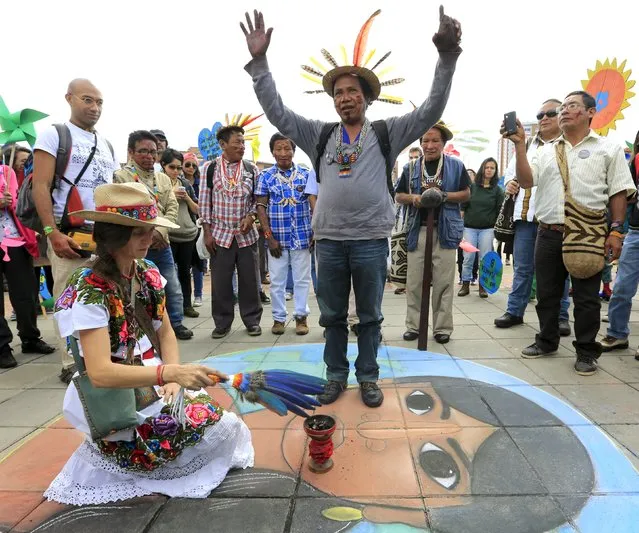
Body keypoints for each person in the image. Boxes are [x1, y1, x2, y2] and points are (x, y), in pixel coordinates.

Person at [241, 7, 462, 408]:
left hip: (370, 241)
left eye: (352, 91)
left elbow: (431, 108)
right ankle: (337, 375)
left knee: (372, 318)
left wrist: (447, 57)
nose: (345, 97)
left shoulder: (387, 132)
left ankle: (369, 377)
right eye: (339, 92)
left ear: (366, 97)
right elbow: (278, 112)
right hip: (328, 242)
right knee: (331, 317)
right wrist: (260, 63)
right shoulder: (318, 134)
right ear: (333, 99)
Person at [43, 182, 253, 505]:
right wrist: (168, 374)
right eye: (140, 232)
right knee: (183, 433)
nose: (151, 238)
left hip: (151, 381)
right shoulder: (90, 288)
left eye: (150, 229)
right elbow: (99, 373)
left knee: (221, 424)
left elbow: (165, 331)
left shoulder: (146, 273)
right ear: (115, 234)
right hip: (116, 396)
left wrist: (172, 379)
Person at [505, 91, 635, 375]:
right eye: (561, 108)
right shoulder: (544, 150)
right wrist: (519, 146)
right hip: (548, 232)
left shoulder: (608, 148)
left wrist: (615, 231)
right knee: (548, 294)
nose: (562, 112)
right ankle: (547, 340)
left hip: (588, 233)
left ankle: (587, 351)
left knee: (587, 297)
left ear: (590, 112)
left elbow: (618, 192)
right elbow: (527, 181)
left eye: (571, 106)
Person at [32, 78, 119, 384]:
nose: (94, 108)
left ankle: (104, 357)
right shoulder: (54, 135)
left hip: (103, 237)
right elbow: (39, 185)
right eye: (87, 100)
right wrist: (51, 231)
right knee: (69, 299)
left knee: (105, 297)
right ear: (69, 98)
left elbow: (111, 192)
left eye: (99, 102)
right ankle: (72, 362)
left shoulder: (107, 145)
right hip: (68, 234)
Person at [494, 98, 571, 336]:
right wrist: (509, 183)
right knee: (523, 267)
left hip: (557, 219)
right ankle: (515, 310)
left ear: (562, 116)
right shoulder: (526, 146)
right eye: (540, 116)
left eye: (550, 113)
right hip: (526, 217)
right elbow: (510, 172)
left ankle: (561, 316)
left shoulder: (571, 145)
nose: (544, 118)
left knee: (560, 270)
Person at [113, 131, 193, 341]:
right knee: (135, 287)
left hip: (161, 242)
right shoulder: (121, 177)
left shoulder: (163, 178)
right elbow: (125, 210)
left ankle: (175, 324)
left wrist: (159, 231)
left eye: (153, 152)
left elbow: (172, 207)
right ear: (131, 152)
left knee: (171, 287)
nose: (149, 156)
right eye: (143, 151)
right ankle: (140, 327)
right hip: (135, 244)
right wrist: (146, 234)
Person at [396, 122, 470, 344]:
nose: (430, 145)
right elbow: (399, 195)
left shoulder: (456, 166)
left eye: (435, 140)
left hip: (446, 231)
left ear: (443, 144)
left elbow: (466, 193)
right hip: (417, 230)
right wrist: (416, 199)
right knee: (415, 281)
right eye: (425, 140)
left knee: (444, 282)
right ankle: (414, 326)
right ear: (420, 143)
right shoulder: (410, 168)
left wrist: (444, 196)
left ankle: (442, 328)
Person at [199, 125, 263, 338]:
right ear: (223, 144)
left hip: (247, 236)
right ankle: (222, 323)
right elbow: (204, 203)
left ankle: (252, 320)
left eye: (243, 142)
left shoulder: (251, 169)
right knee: (220, 282)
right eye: (237, 142)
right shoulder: (209, 168)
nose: (242, 146)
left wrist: (251, 216)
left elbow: (258, 200)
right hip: (220, 235)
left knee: (250, 280)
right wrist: (207, 232)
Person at [256, 133, 313, 335]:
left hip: (302, 236)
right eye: (278, 149)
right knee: (278, 280)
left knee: (302, 279)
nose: (283, 153)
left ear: (294, 151)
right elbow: (261, 207)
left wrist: (314, 231)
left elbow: (314, 204)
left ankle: (301, 317)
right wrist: (269, 237)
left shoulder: (305, 175)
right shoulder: (265, 176)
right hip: (276, 238)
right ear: (272, 152)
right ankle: (278, 319)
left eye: (287, 148)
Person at [0, 164, 55, 368]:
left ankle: (30, 338)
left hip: (14, 240)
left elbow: (16, 201)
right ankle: (2, 346)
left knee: (26, 294)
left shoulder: (7, 171)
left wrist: (9, 201)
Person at [600, 129, 639, 355]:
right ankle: (617, 333)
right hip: (634, 231)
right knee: (623, 286)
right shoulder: (635, 161)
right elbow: (626, 194)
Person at [160, 149, 200, 319]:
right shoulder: (158, 184)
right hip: (167, 235)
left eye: (178, 168)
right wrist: (171, 196)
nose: (175, 171)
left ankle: (187, 305)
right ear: (163, 166)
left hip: (187, 234)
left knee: (185, 272)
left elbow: (197, 209)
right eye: (172, 167)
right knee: (166, 275)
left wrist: (186, 198)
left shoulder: (186, 185)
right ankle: (166, 311)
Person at [458, 157, 503, 298]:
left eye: (492, 168)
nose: (489, 170)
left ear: (495, 171)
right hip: (469, 228)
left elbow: (499, 211)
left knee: (485, 258)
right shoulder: (472, 187)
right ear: (482, 168)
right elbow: (463, 208)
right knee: (468, 257)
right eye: (487, 167)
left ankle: (483, 287)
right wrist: (459, 226)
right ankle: (465, 284)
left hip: (488, 229)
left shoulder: (497, 190)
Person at [182, 152, 205, 308]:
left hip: (198, 226)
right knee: (184, 266)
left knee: (199, 263)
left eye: (193, 165)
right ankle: (185, 298)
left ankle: (198, 294)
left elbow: (199, 208)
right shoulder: (178, 182)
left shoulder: (200, 183)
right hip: (182, 228)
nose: (190, 168)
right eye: (187, 164)